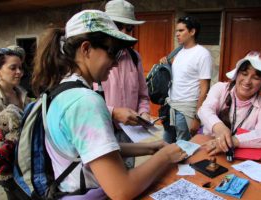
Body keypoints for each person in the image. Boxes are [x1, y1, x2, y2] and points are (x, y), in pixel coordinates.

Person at [32, 10, 187, 200]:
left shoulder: (60, 90)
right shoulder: (85, 102)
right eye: (112, 52)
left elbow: (88, 151)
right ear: (86, 49)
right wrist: (166, 156)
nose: (115, 63)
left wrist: (151, 148)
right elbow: (121, 190)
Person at [93, 0, 150, 169]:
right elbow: (82, 100)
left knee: (128, 174)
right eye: (119, 26)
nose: (124, 32)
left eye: (129, 28)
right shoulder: (94, 58)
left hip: (129, 132)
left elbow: (143, 95)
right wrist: (113, 113)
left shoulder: (134, 57)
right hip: (101, 132)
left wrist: (144, 113)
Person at [198, 51, 261, 156]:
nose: (247, 81)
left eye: (256, 78)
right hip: (208, 145)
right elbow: (205, 110)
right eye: (244, 73)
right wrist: (219, 127)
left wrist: (233, 141)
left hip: (239, 154)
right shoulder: (220, 88)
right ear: (237, 74)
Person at [160, 16, 213, 143]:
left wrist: (197, 117)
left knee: (182, 147)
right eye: (176, 31)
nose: (177, 34)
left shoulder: (202, 54)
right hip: (171, 105)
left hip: (186, 109)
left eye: (181, 30)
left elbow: (205, 87)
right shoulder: (178, 52)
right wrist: (166, 64)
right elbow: (180, 76)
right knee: (165, 143)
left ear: (192, 32)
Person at [0, 47, 30, 200]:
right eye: (13, 68)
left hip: (29, 165)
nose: (19, 72)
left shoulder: (23, 94)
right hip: (9, 171)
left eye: (20, 68)